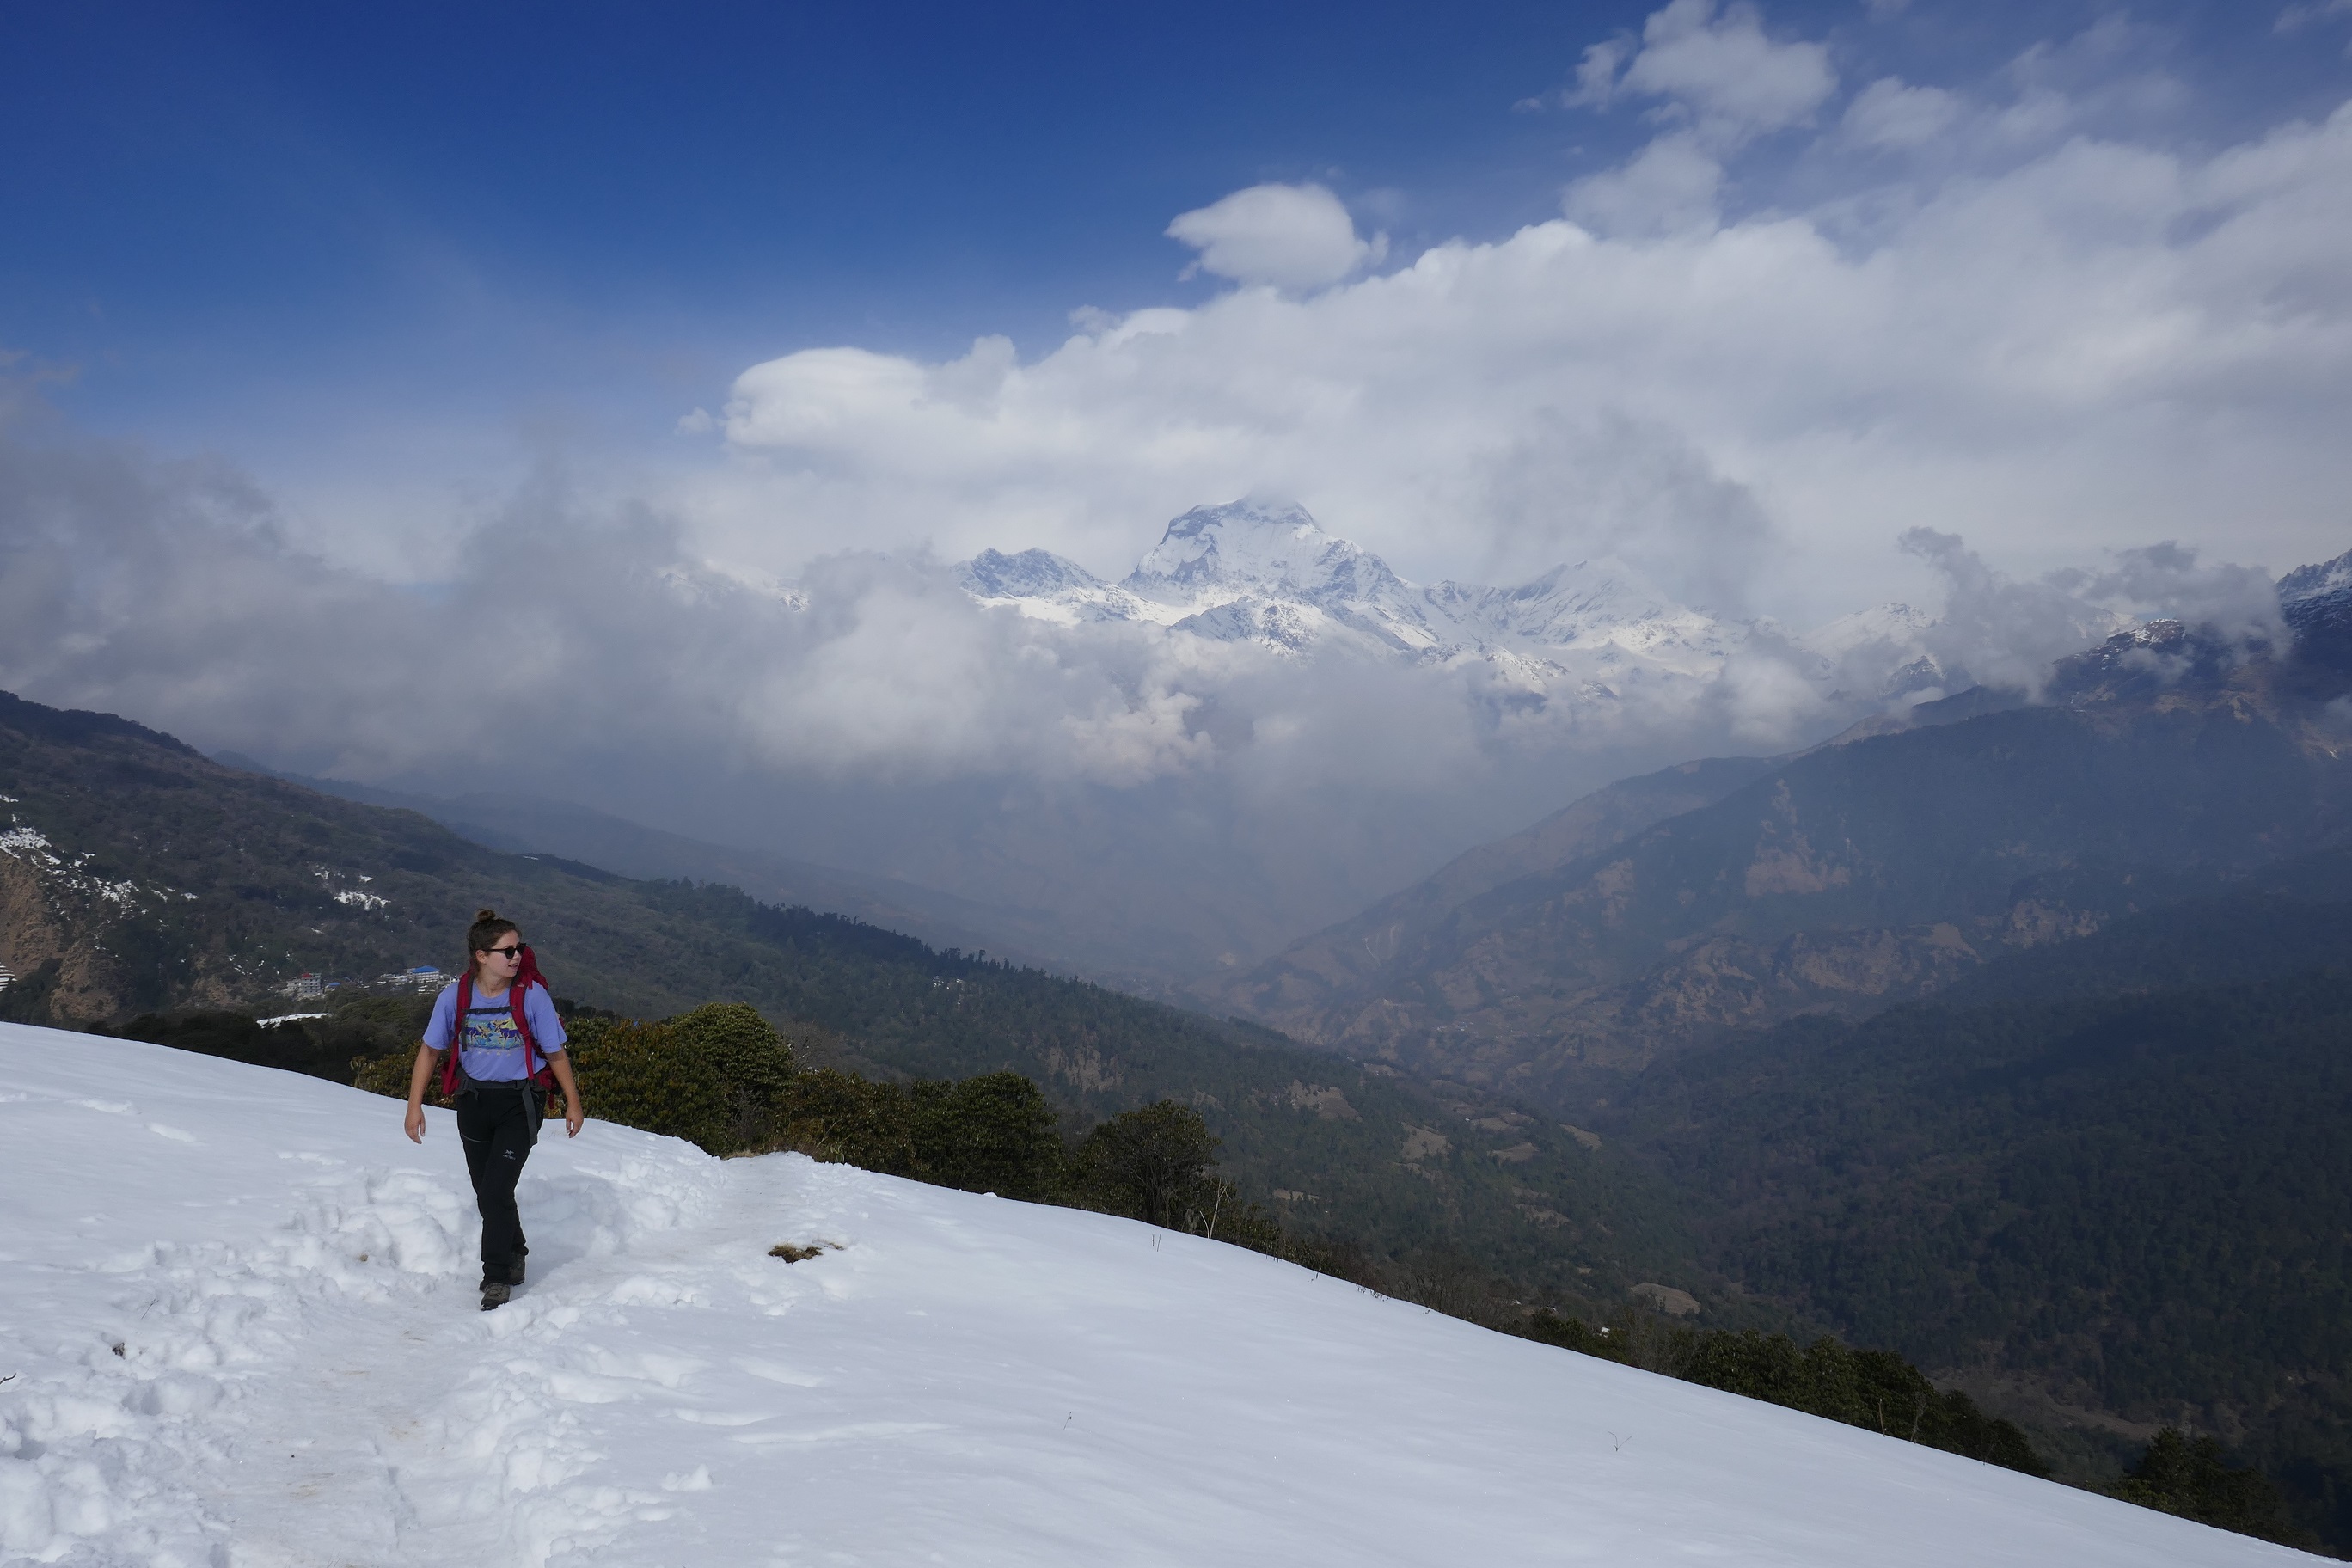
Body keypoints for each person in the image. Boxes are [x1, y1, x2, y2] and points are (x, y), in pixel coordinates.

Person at [402, 908, 585, 1310]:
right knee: (486, 1192)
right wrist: (414, 1106)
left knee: (496, 1189)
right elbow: (430, 1050)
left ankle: (497, 1276)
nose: (517, 956)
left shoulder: (532, 995)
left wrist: (573, 1102)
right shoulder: (456, 996)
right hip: (473, 1101)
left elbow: (555, 1053)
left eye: (519, 948)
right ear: (482, 956)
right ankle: (516, 1248)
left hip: (520, 1103)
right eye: (507, 950)